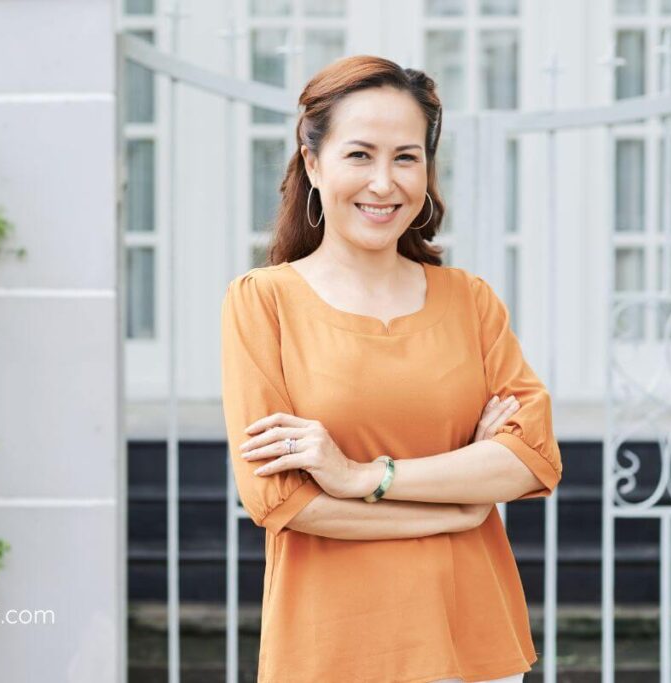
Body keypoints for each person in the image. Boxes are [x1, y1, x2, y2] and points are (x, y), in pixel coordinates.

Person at [219, 55, 562, 683]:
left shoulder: (470, 299)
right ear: (313, 163)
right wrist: (461, 506)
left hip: (472, 643)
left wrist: (357, 477)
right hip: (332, 649)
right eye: (360, 155)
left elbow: (531, 456)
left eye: (406, 157)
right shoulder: (263, 300)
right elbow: (280, 500)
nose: (385, 183)